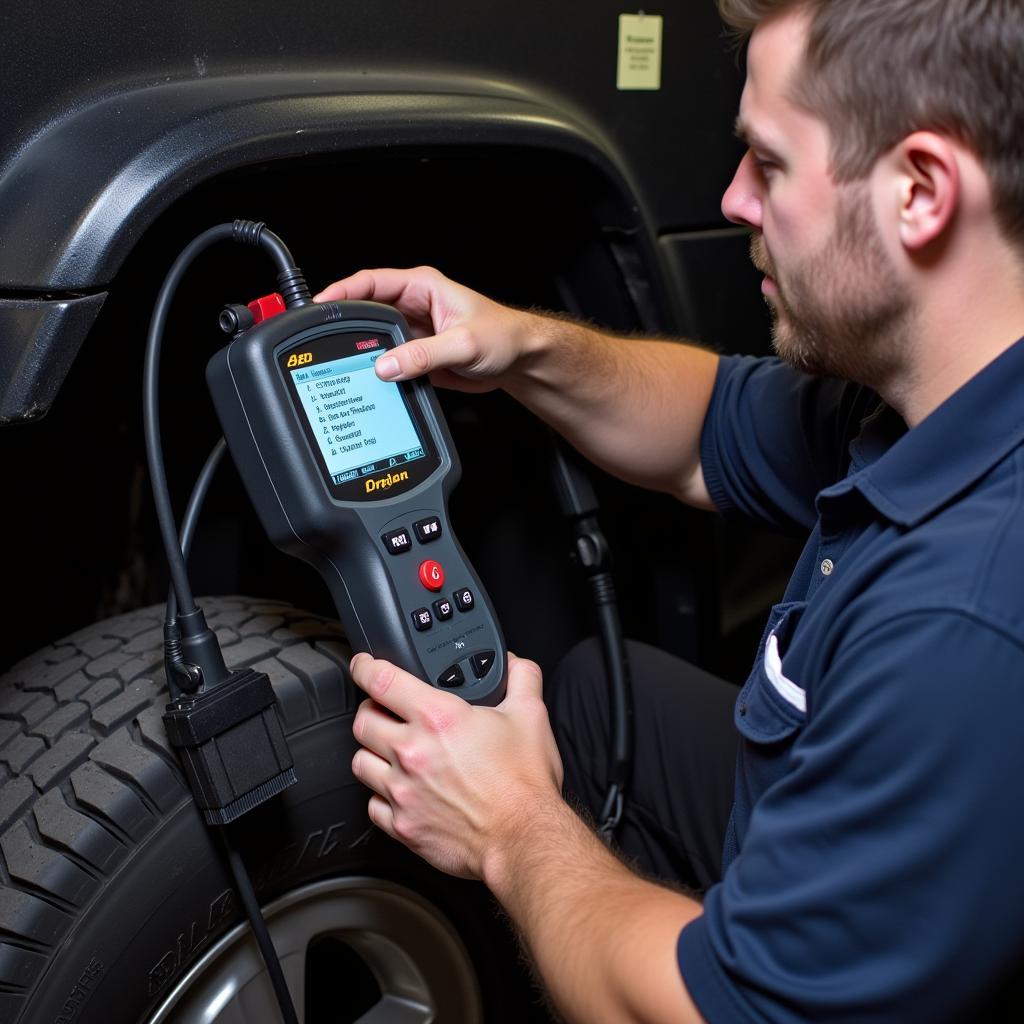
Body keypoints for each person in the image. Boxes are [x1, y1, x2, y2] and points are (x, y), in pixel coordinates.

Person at [315, 0, 1024, 1019]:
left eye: (769, 164)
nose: (733, 200)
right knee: (605, 705)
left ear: (919, 190)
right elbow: (704, 425)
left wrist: (510, 826)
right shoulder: (935, 388)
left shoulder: (965, 624)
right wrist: (519, 345)